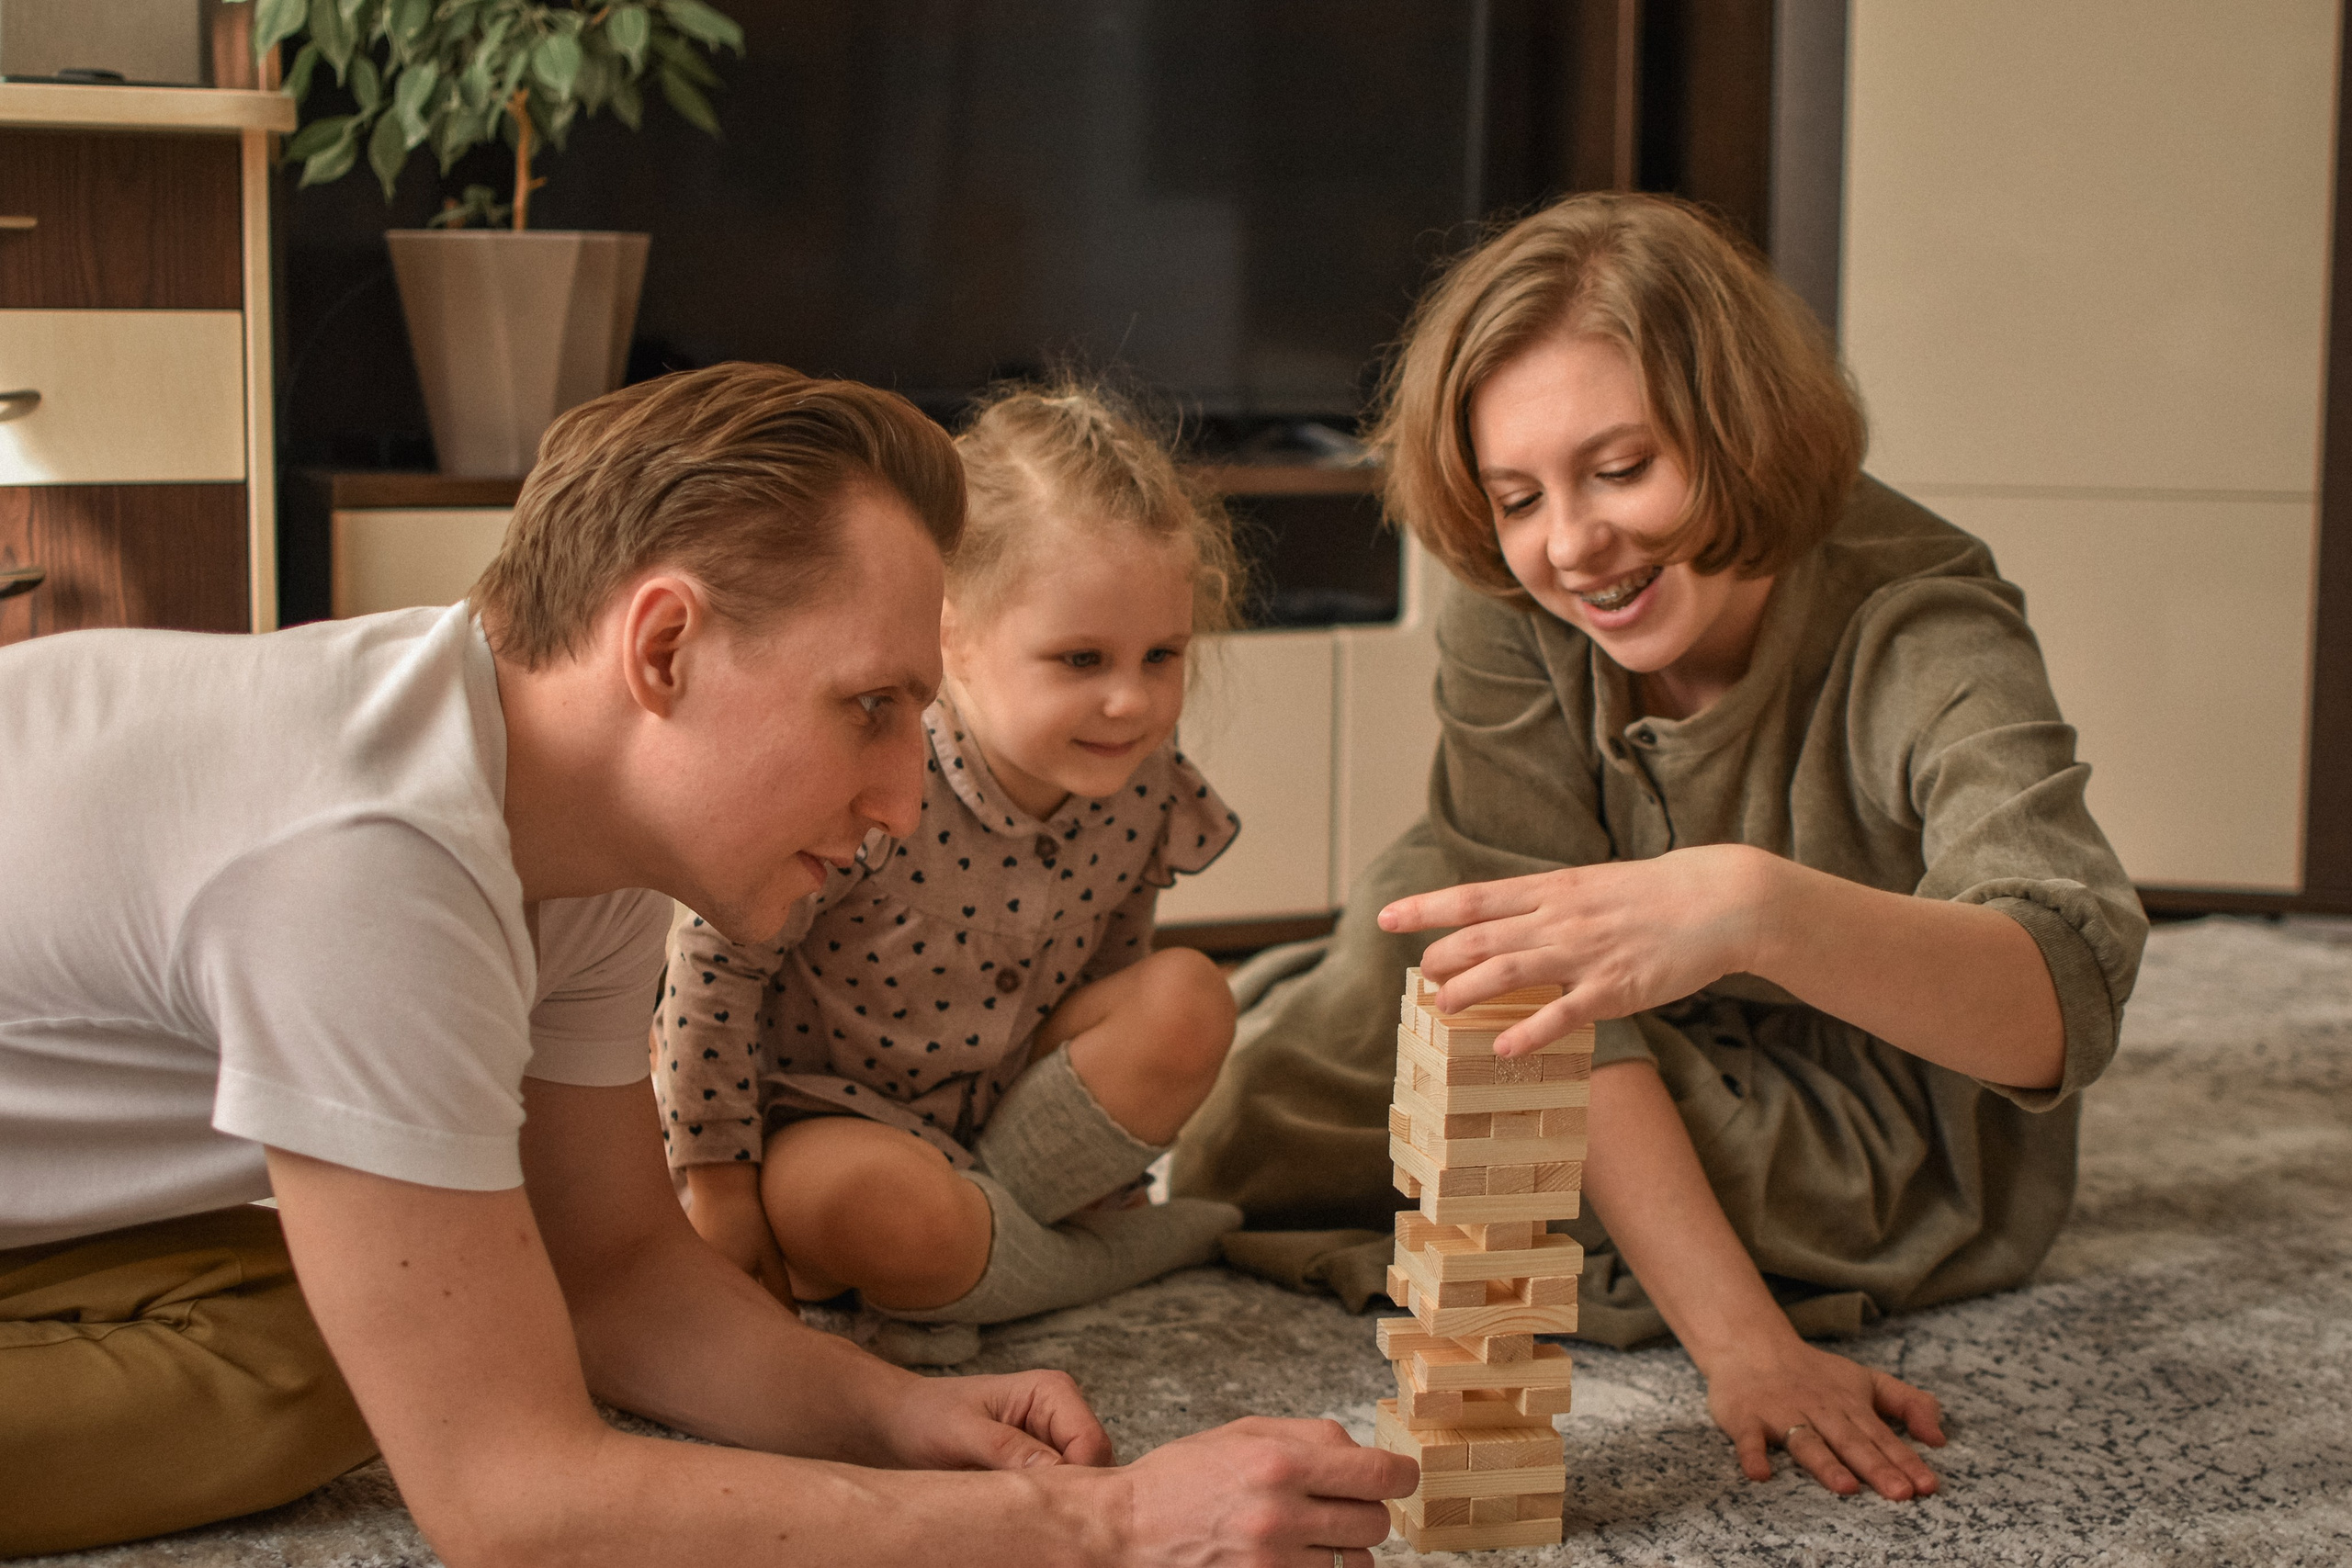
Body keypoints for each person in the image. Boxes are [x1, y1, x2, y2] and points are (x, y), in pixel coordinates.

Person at [0, 363, 1414, 1563]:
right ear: (664, 645)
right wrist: (1094, 1524)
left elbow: (614, 1266)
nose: (903, 798)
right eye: (869, 705)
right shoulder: (364, 856)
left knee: (406, 1310)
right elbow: (507, 1497)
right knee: (388, 1361)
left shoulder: (573, 822)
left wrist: (886, 1411)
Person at [1170, 192, 2149, 1504]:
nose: (1572, 544)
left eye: (1623, 469)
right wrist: (1735, 1333)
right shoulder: (1516, 599)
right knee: (1320, 1063)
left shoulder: (1924, 628)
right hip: (1598, 1027)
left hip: (1847, 1081)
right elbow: (1525, 965)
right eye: (1519, 497)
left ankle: (1662, 1213)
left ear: (1740, 432)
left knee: (1569, 1128)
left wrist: (1754, 909)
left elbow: (2063, 999)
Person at [655, 382, 1248, 1367]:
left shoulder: (1144, 784)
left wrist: (1103, 1170)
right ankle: (1078, 1265)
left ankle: (983, 1264)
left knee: (1190, 996)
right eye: (1080, 658)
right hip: (826, 1122)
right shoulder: (868, 775)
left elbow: (1111, 971)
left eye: (1162, 656)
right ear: (950, 636)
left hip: (1002, 1109)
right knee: (889, 1214)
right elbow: (713, 973)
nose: (1130, 701)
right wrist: (713, 1186)